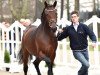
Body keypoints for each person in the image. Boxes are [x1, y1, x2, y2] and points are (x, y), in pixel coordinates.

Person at [57, 11, 97, 75]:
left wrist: (94, 41)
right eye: (72, 17)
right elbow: (59, 38)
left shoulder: (84, 26)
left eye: (75, 17)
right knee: (86, 65)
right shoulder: (68, 29)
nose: (73, 18)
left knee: (85, 69)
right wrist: (59, 32)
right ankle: (79, 73)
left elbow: (92, 34)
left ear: (78, 17)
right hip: (76, 51)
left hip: (85, 50)